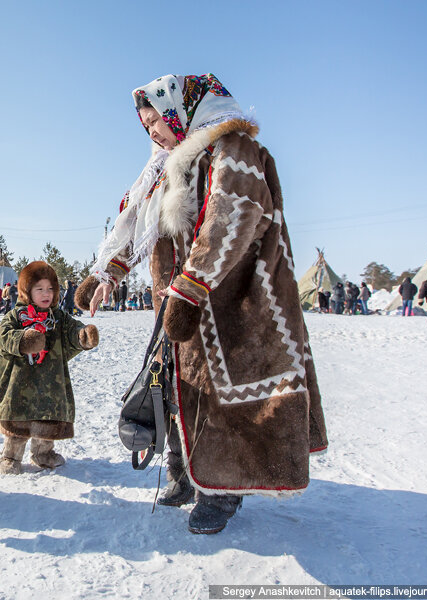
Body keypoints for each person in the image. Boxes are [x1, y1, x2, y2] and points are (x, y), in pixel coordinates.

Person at [75, 73, 327, 534]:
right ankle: (187, 474)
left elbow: (232, 218)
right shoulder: (163, 168)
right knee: (177, 388)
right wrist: (107, 272)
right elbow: (140, 226)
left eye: (156, 120)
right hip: (180, 304)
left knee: (223, 397)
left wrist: (191, 286)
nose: (152, 131)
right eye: (146, 125)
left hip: (233, 304)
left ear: (180, 110)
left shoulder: (233, 148)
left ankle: (221, 491)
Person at [0, 261, 99, 474]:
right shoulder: (15, 316)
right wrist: (23, 340)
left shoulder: (57, 317)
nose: (46, 293)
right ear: (26, 291)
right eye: (39, 289)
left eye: (50, 289)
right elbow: (4, 337)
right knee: (18, 423)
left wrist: (82, 336)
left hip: (50, 381)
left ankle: (43, 453)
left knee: (47, 418)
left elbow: (72, 329)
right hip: (20, 382)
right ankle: (10, 456)